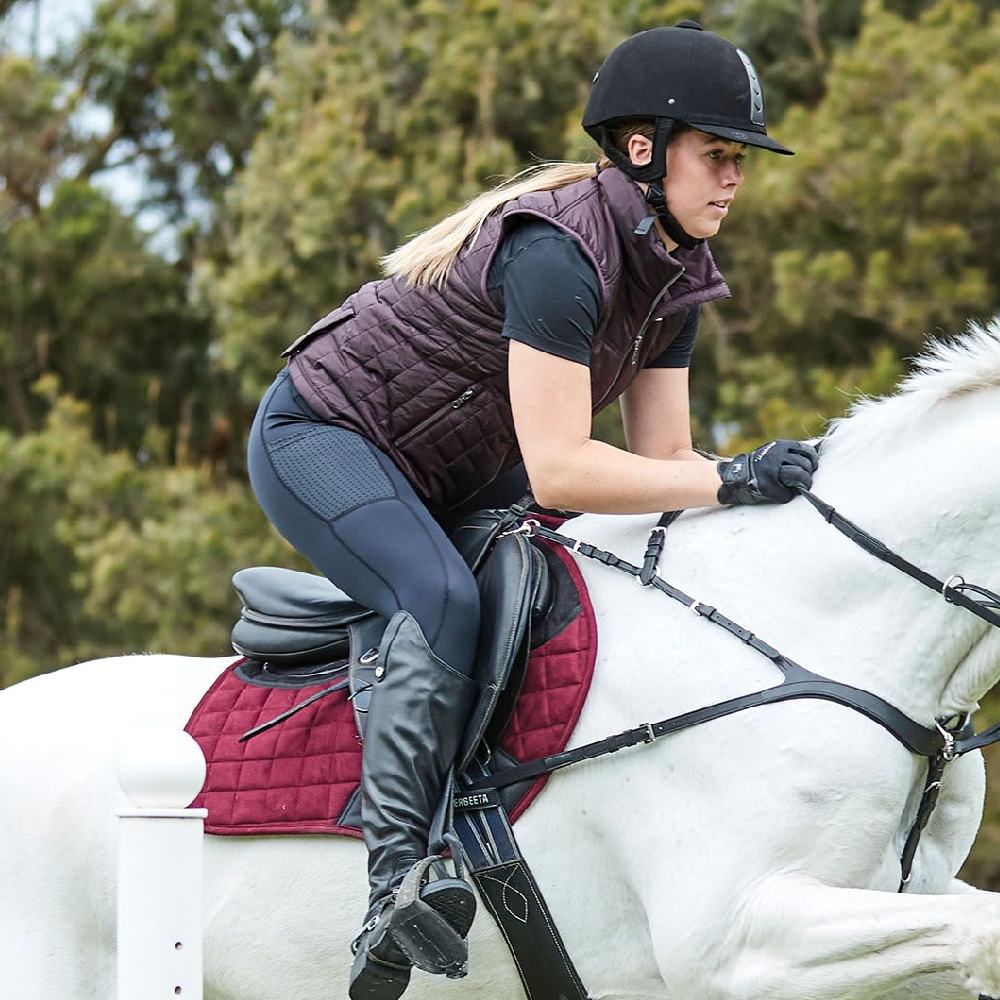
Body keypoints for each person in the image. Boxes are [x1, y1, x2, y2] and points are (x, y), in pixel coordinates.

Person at [246, 19, 819, 1000]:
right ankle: (393, 887)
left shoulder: (671, 282)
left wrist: (746, 492)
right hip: (325, 436)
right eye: (717, 155)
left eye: (738, 162)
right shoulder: (557, 254)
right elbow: (561, 468)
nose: (734, 179)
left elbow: (663, 462)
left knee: (573, 578)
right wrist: (732, 477)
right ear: (643, 149)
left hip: (460, 467)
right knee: (440, 598)